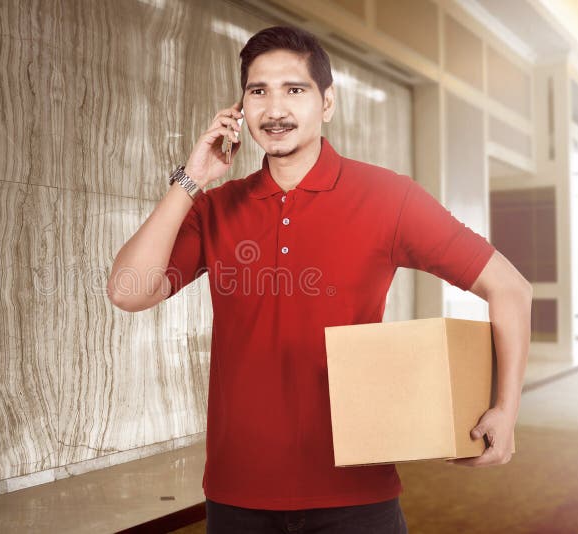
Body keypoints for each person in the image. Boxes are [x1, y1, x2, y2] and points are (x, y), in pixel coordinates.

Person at [107, 25, 531, 534]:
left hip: (356, 493)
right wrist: (191, 180)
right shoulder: (216, 207)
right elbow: (127, 292)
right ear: (241, 107)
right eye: (258, 91)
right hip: (237, 493)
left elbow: (509, 287)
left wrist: (506, 410)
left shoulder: (387, 197)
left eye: (295, 89)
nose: (275, 108)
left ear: (327, 103)